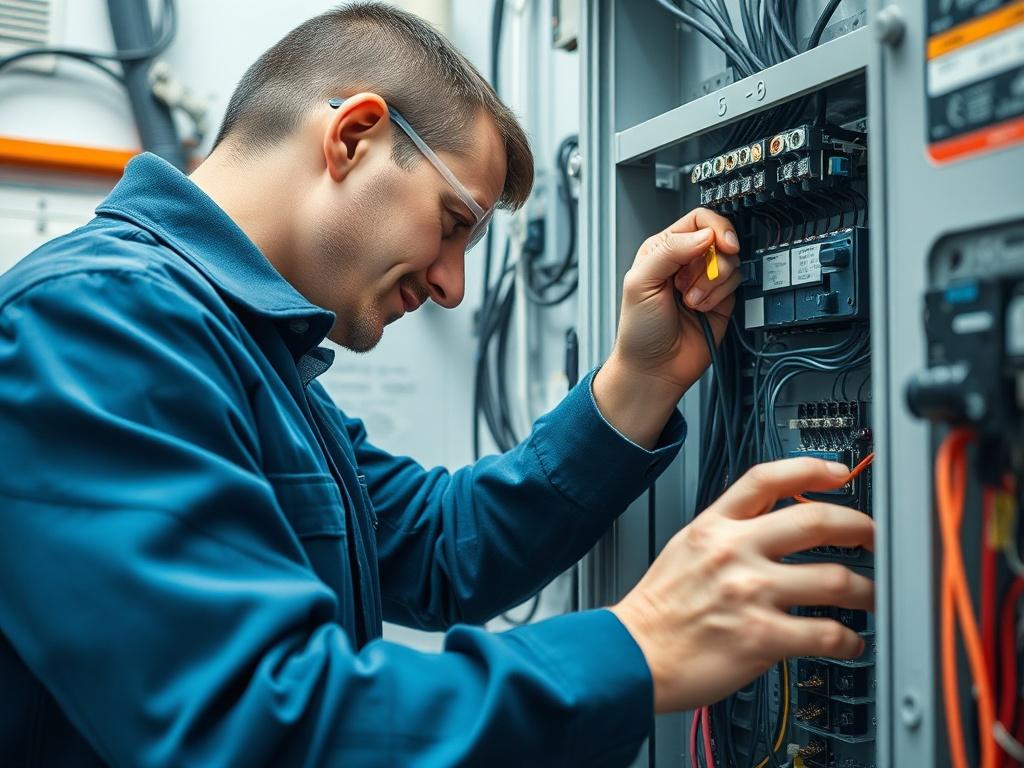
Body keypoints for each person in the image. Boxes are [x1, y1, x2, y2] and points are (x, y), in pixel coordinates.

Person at [0, 3, 873, 766]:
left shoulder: (242, 348)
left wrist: (638, 381)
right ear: (352, 137)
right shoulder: (96, 320)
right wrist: (637, 645)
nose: (454, 285)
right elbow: (256, 727)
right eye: (454, 224)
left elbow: (436, 542)